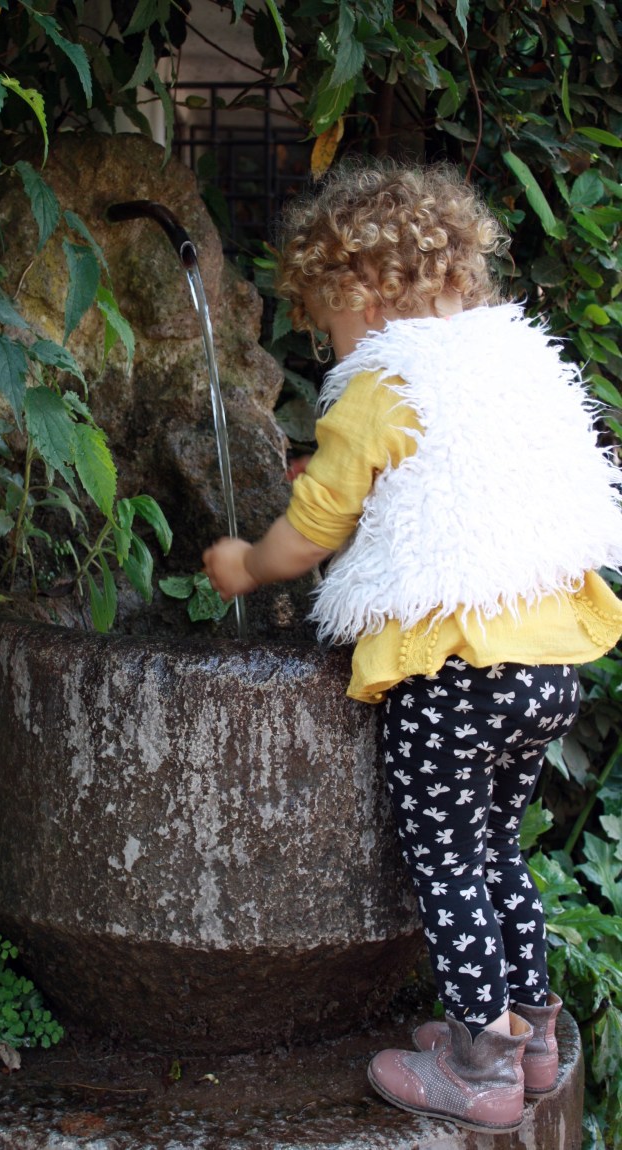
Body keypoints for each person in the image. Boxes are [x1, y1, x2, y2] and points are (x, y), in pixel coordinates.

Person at [202, 159, 622, 1135]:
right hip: (549, 669)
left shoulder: (382, 386)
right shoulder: (516, 371)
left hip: (457, 675)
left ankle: (478, 1062)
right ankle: (532, 1032)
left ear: (362, 289)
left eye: (324, 315)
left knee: (445, 860)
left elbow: (314, 522)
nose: (326, 338)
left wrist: (248, 565)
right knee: (497, 852)